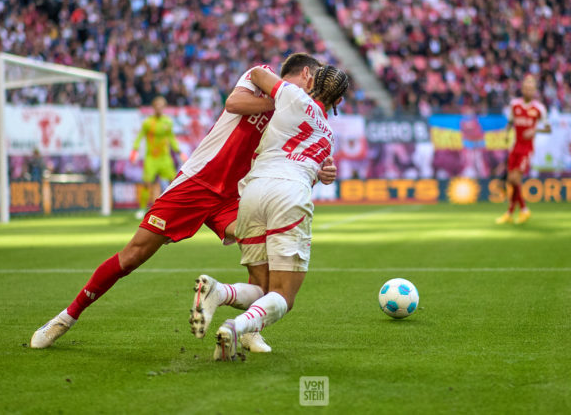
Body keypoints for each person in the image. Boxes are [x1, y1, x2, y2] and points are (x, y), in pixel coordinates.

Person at [30, 54, 337, 349]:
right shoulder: (264, 80)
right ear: (307, 76)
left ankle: (248, 331)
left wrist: (321, 170)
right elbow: (233, 103)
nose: (316, 91)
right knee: (133, 256)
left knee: (265, 274)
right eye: (316, 82)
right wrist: (280, 102)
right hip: (197, 183)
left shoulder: (298, 114)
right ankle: (65, 318)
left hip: (236, 196)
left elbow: (297, 155)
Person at [196, 64, 349, 361]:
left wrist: (283, 91)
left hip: (252, 192)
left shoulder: (290, 95)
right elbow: (311, 173)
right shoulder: (329, 134)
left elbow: (255, 73)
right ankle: (235, 328)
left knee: (261, 286)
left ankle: (219, 292)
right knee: (283, 295)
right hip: (290, 192)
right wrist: (324, 174)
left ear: (311, 81)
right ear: (339, 102)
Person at [496, 75, 551, 225]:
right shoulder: (514, 105)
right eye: (526, 87)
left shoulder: (539, 108)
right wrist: (506, 134)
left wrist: (535, 130)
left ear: (535, 91)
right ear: (522, 89)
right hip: (515, 146)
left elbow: (548, 128)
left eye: (531, 88)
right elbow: (510, 122)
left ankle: (524, 209)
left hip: (526, 149)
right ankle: (511, 213)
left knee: (514, 179)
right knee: (511, 181)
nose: (529, 90)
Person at [130, 96, 187, 219]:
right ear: (153, 107)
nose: (159, 108)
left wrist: (179, 152)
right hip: (151, 158)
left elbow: (171, 138)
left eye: (161, 106)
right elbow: (140, 136)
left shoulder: (168, 122)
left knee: (174, 182)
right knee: (147, 183)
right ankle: (141, 209)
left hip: (165, 158)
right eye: (157, 106)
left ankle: (176, 207)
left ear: (164, 107)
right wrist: (135, 150)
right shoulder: (148, 123)